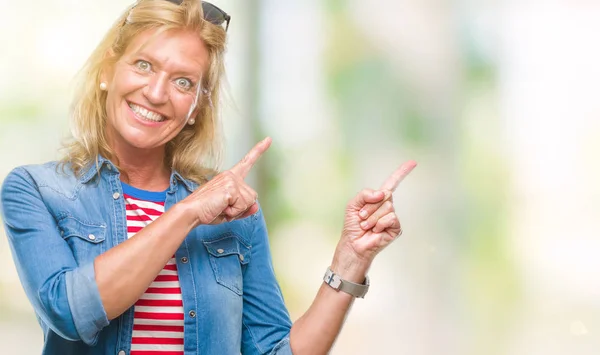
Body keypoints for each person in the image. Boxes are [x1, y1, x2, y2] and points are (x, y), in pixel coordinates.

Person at [0, 1, 417, 354]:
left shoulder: (233, 213)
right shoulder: (37, 191)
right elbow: (71, 313)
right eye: (144, 65)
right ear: (109, 70)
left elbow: (275, 350)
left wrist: (350, 261)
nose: (157, 93)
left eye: (183, 82)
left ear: (196, 107)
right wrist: (187, 213)